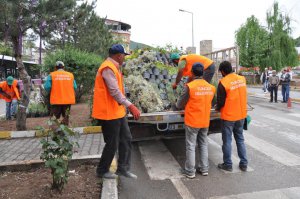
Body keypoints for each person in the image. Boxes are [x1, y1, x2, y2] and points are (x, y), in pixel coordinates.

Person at [92, 44, 141, 179]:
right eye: (124, 56)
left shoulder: (115, 67)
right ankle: (102, 171)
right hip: (108, 113)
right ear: (119, 55)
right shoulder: (107, 68)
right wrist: (131, 105)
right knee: (112, 143)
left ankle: (123, 169)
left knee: (126, 139)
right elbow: (114, 91)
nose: (124, 58)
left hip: (117, 111)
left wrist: (125, 106)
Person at [176, 62, 216, 178]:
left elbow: (179, 104)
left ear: (192, 73)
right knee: (203, 144)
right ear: (203, 73)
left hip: (193, 121)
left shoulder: (190, 86)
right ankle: (204, 169)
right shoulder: (211, 87)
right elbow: (211, 102)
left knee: (191, 145)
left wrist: (178, 104)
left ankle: (190, 171)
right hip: (205, 120)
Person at [215, 61, 248, 172]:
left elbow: (220, 101)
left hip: (229, 116)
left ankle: (228, 164)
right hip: (241, 115)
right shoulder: (242, 79)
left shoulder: (223, 82)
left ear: (223, 71)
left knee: (227, 141)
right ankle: (244, 164)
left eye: (221, 72)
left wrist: (217, 108)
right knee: (240, 139)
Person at [43, 61, 77, 125]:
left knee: (55, 118)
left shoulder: (52, 75)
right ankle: (65, 131)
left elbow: (47, 87)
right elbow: (75, 87)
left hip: (56, 100)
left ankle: (56, 132)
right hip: (68, 100)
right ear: (64, 67)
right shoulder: (70, 75)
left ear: (55, 68)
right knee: (66, 117)